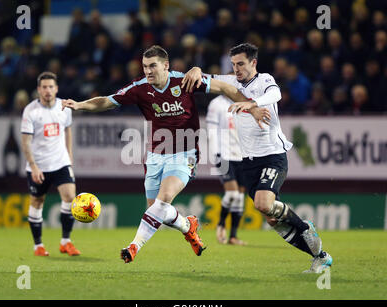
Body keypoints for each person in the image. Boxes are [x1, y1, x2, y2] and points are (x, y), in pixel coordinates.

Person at [62, 45, 270, 263]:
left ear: (166, 66)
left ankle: (133, 246)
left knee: (164, 200)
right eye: (145, 67)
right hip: (154, 156)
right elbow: (107, 100)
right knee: (156, 211)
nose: (148, 71)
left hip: (184, 154)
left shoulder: (184, 81)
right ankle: (188, 226)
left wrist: (252, 107)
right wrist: (79, 105)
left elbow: (225, 88)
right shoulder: (140, 88)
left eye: (153, 66)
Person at [182, 43, 332, 273]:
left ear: (253, 62)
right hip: (248, 161)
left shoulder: (264, 81)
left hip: (273, 156)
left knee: (263, 203)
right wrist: (194, 69)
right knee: (272, 218)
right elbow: (205, 77)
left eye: (241, 64)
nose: (237, 69)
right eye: (233, 65)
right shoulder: (231, 82)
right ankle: (319, 256)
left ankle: (304, 226)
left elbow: (276, 93)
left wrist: (252, 103)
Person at [21, 71, 80, 257]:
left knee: (71, 197)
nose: (47, 90)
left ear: (57, 89)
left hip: (61, 162)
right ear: (39, 89)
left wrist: (69, 158)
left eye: (51, 87)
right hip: (38, 166)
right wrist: (34, 166)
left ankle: (66, 242)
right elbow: (25, 142)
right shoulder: (31, 111)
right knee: (37, 202)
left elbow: (68, 131)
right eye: (44, 87)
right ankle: (38, 245)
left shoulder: (64, 108)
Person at [206, 94, 247, 245]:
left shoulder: (243, 102)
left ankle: (233, 236)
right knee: (232, 193)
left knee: (240, 196)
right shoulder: (216, 104)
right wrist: (215, 154)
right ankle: (221, 223)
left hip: (242, 155)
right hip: (224, 154)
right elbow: (211, 130)